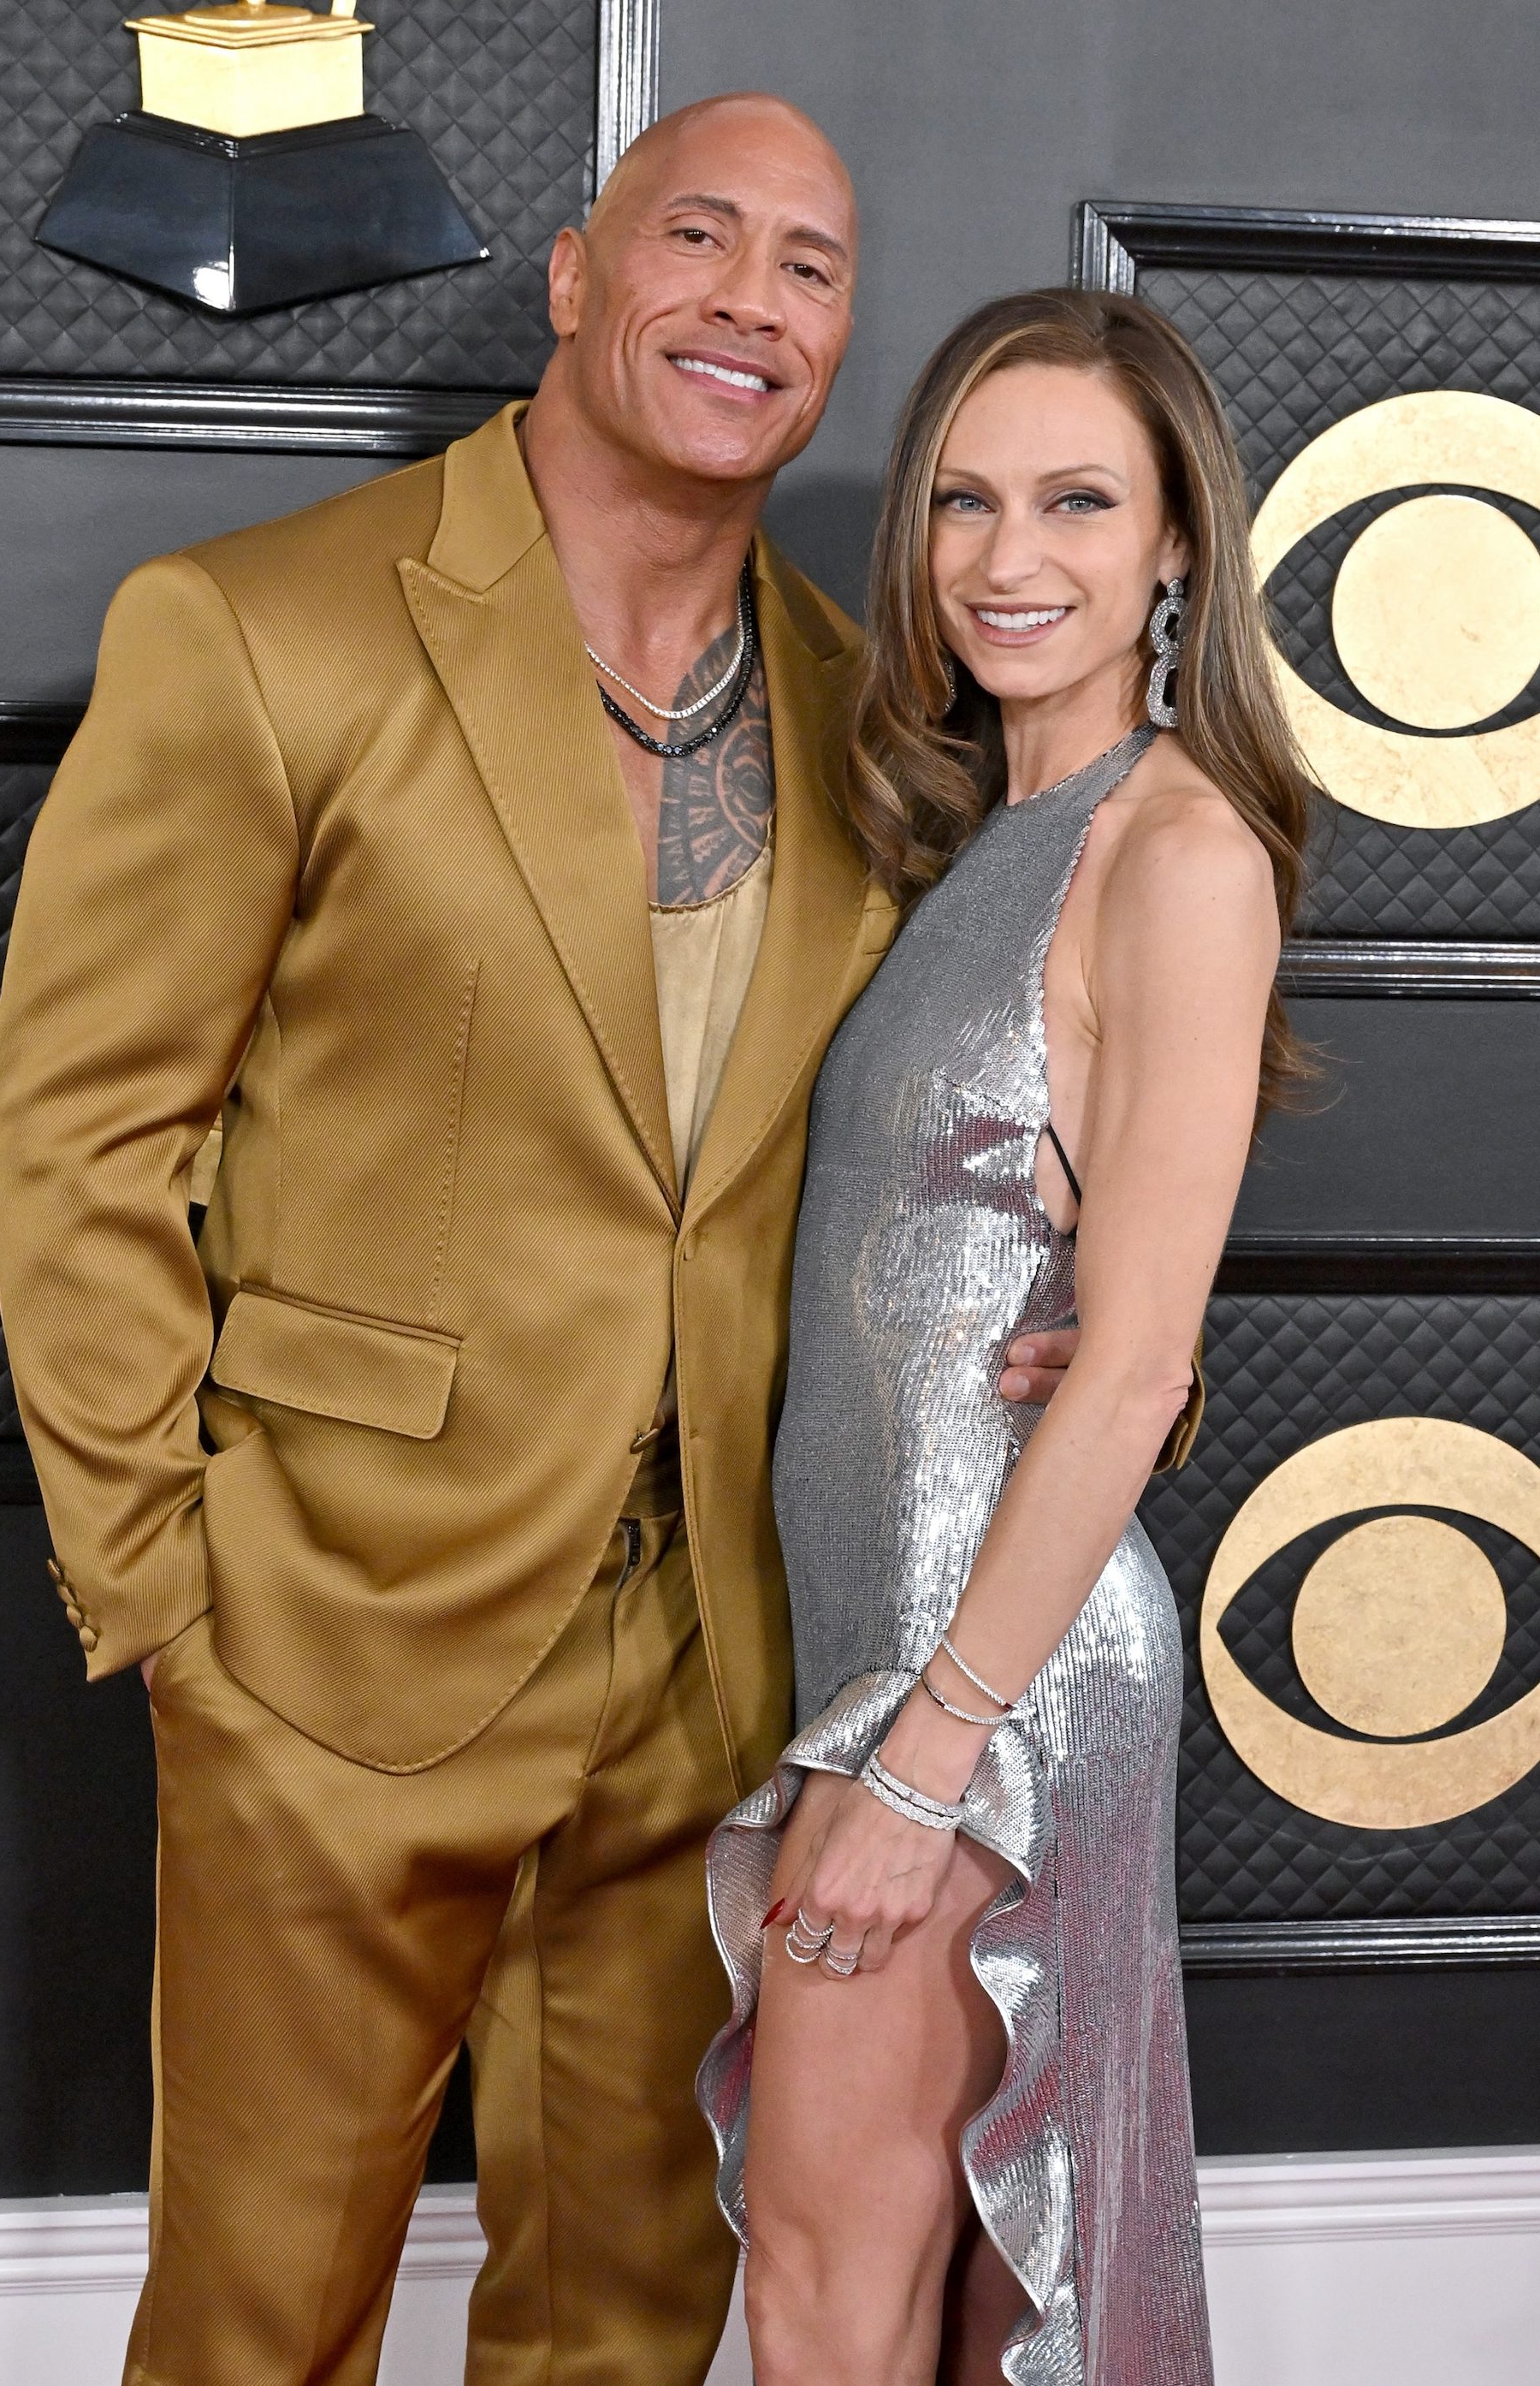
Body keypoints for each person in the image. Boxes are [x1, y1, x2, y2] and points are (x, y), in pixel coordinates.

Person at [0, 98, 1093, 2386]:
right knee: (260, 2323)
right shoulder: (256, 629)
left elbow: (886, 1142)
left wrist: (1027, 1316)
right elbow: (80, 1134)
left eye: (808, 267)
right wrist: (170, 1595)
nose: (752, 302)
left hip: (714, 1673)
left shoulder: (864, 718)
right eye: (700, 239)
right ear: (578, 279)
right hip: (327, 1640)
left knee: (622, 2321)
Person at [700, 288, 1308, 2386]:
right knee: (941, 2318)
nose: (1002, 555)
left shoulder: (1180, 844)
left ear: (1175, 550)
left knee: (824, 2296)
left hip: (978, 1698)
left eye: (1074, 499)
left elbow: (1133, 1361)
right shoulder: (978, 837)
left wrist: (922, 1761)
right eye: (963, 498)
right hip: (927, 1659)